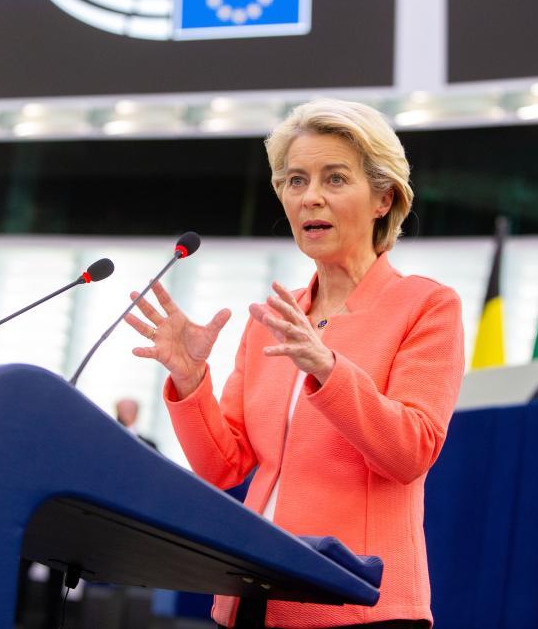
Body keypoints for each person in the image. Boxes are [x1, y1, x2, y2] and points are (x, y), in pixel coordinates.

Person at [124, 99, 464, 628]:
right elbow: (223, 466)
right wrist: (190, 382)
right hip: (251, 598)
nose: (310, 198)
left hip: (358, 605)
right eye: (295, 181)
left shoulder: (425, 306)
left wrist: (328, 370)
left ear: (384, 198)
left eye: (335, 179)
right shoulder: (274, 318)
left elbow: (410, 452)